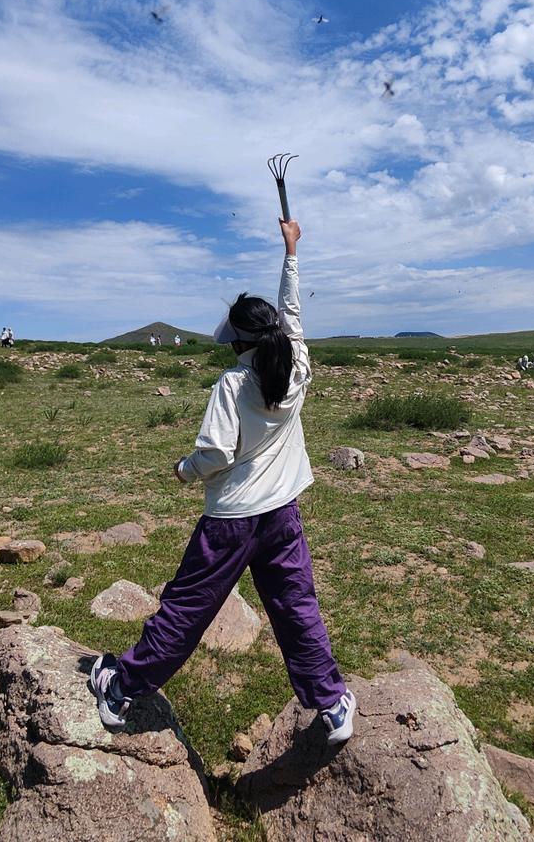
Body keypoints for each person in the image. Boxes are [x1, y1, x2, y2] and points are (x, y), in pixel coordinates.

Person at [88, 218, 355, 746]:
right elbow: (294, 311)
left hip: (232, 520)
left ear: (238, 339)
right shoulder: (297, 365)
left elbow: (214, 452)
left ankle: (120, 687)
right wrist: (291, 249)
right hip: (282, 514)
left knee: (187, 608)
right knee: (296, 607)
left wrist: (185, 470)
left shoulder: (234, 384)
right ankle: (331, 703)